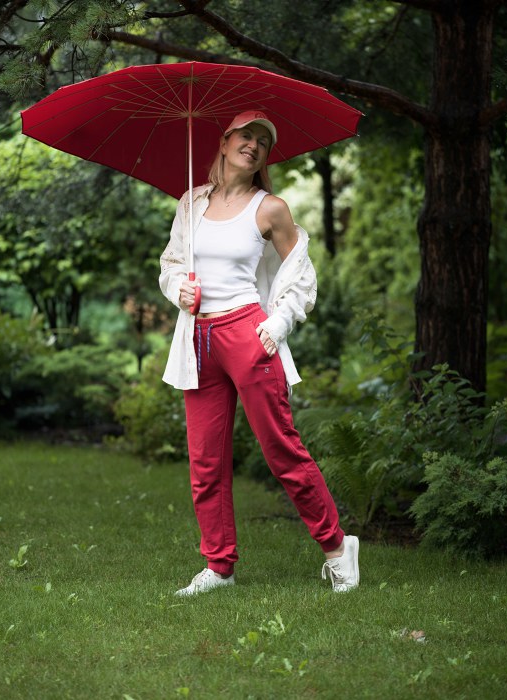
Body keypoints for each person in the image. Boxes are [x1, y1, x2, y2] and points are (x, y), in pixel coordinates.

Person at [159, 110, 359, 596]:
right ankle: (219, 566)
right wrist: (178, 289)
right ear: (225, 142)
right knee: (205, 462)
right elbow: (170, 264)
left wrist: (279, 322)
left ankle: (337, 548)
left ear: (265, 157)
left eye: (263, 143)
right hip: (199, 340)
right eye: (245, 137)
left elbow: (301, 274)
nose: (253, 146)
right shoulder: (191, 203)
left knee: (281, 449)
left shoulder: (270, 209)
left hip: (249, 334)